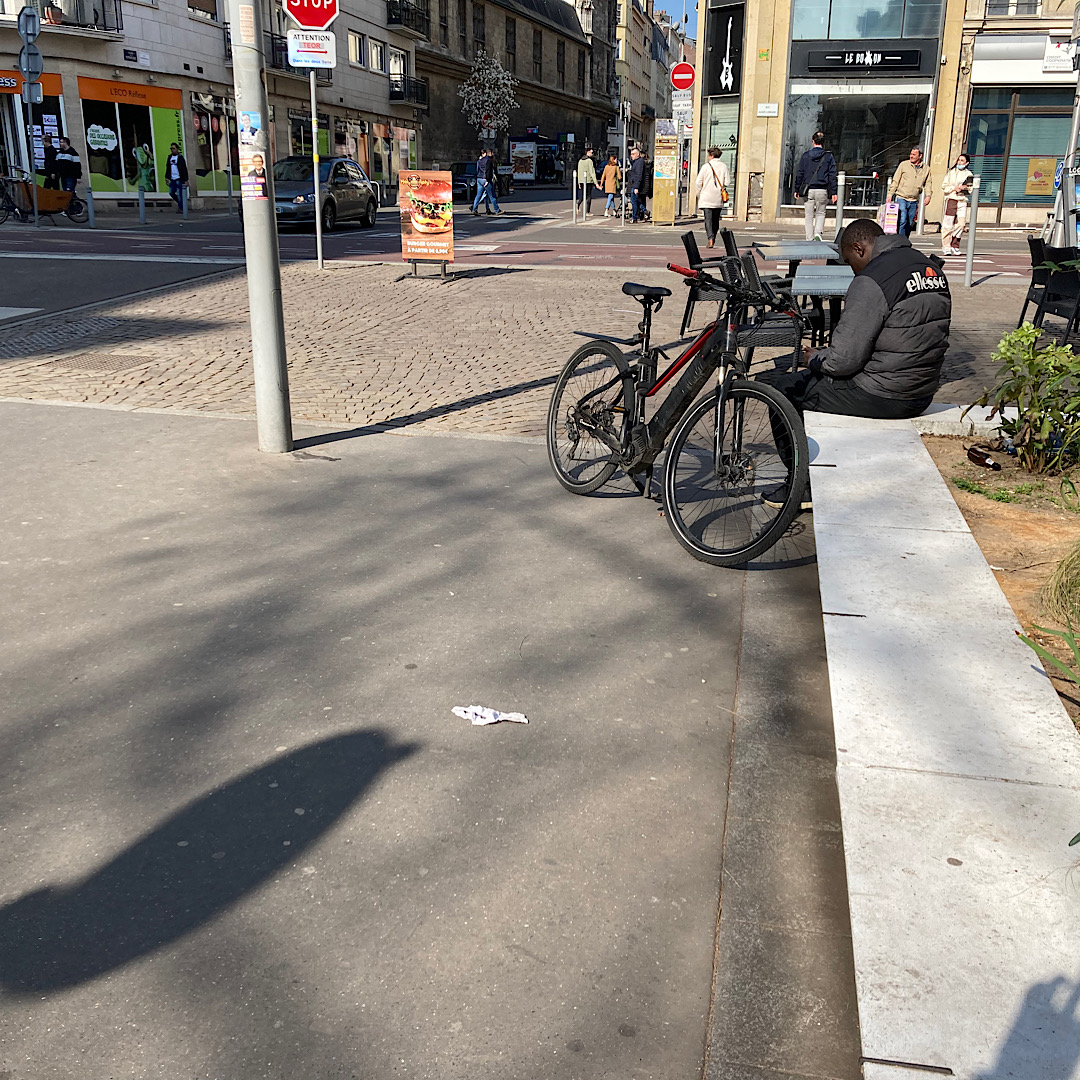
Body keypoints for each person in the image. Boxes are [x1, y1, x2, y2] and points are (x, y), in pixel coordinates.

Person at [770, 217, 951, 421]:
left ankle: (798, 454)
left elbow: (843, 361)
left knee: (782, 391)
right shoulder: (927, 266)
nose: (851, 269)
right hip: (923, 392)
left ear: (859, 249)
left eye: (849, 261)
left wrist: (815, 359)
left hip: (883, 394)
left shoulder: (872, 278)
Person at [793, 131, 837, 241]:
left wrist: (797, 189)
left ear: (813, 141)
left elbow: (800, 174)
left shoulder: (805, 156)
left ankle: (809, 238)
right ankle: (818, 234)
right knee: (821, 213)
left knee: (809, 215)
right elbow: (832, 175)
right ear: (823, 142)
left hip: (808, 190)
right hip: (822, 190)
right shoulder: (828, 156)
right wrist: (834, 192)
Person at [888, 146, 932, 238]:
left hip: (914, 200)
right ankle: (900, 240)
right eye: (911, 154)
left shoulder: (926, 169)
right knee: (903, 219)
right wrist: (890, 194)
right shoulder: (903, 165)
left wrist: (928, 196)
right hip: (902, 197)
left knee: (909, 222)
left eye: (914, 155)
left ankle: (905, 240)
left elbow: (928, 184)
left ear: (920, 156)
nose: (911, 156)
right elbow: (896, 180)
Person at [694, 146, 731, 249]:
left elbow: (698, 182)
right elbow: (727, 182)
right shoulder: (723, 166)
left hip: (706, 197)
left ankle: (710, 238)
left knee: (708, 219)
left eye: (709, 155)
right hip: (717, 197)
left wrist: (699, 194)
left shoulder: (705, 167)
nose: (708, 157)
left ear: (712, 155)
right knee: (716, 220)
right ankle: (713, 237)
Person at [940, 153, 973, 257]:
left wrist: (965, 188)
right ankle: (946, 246)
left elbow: (971, 188)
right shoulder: (951, 173)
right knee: (947, 224)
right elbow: (944, 186)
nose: (959, 162)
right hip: (951, 199)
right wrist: (954, 188)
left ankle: (955, 244)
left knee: (961, 224)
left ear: (967, 163)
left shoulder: (969, 174)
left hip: (962, 200)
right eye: (958, 160)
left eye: (962, 161)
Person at [472, 148, 502, 216]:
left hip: (479, 178)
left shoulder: (479, 161)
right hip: (485, 179)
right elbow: (488, 171)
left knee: (478, 195)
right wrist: (488, 180)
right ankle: (497, 210)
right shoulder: (488, 160)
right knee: (492, 196)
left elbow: (477, 170)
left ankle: (474, 209)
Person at [166, 143, 189, 214]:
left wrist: (186, 180)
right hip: (172, 179)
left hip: (179, 178)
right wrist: (167, 177)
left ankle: (181, 207)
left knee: (179, 194)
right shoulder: (169, 157)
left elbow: (184, 169)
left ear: (177, 149)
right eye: (171, 149)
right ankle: (181, 204)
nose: (172, 150)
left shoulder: (180, 158)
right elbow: (168, 168)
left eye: (173, 148)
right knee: (171, 193)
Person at [626, 146, 645, 223]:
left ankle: (634, 218)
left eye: (633, 154)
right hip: (634, 184)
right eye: (631, 154)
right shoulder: (635, 162)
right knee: (636, 201)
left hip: (635, 185)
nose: (631, 155)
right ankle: (645, 211)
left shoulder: (639, 162)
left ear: (638, 154)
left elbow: (639, 175)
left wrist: (636, 187)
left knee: (634, 201)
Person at [576, 147, 597, 216]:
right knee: (589, 196)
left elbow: (578, 172)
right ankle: (588, 211)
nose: (592, 154)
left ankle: (578, 203)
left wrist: (579, 182)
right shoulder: (589, 161)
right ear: (587, 152)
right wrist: (595, 182)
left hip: (582, 180)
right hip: (588, 180)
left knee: (583, 194)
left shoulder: (580, 161)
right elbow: (592, 172)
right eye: (592, 152)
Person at [599, 152, 621, 217]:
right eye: (616, 159)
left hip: (607, 184)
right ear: (613, 160)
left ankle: (614, 210)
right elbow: (619, 177)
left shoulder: (606, 167)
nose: (616, 161)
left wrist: (601, 184)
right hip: (613, 184)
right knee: (610, 197)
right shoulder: (616, 168)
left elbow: (603, 176)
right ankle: (606, 210)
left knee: (611, 198)